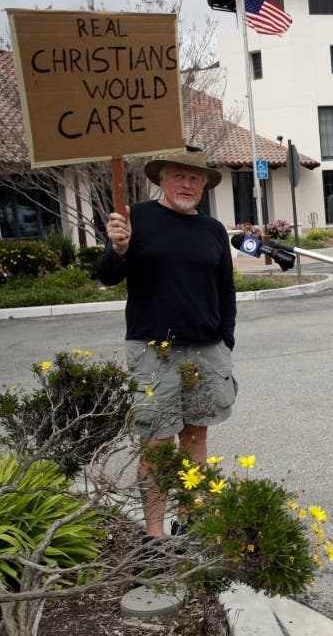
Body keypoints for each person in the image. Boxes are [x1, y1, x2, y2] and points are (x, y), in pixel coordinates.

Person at [97, 146, 237, 545]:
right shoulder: (134, 219)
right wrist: (119, 248)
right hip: (152, 352)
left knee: (196, 437)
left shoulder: (211, 230)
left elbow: (225, 291)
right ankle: (154, 537)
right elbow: (107, 275)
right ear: (162, 179)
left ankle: (189, 521)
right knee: (157, 444)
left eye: (195, 178)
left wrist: (225, 340)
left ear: (203, 186)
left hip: (207, 350)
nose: (187, 184)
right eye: (179, 176)